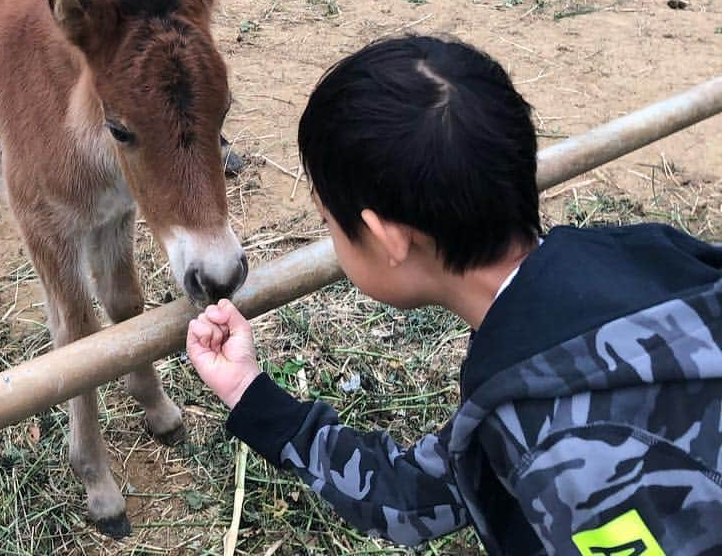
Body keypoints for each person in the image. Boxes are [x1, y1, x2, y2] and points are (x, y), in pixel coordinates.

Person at [187, 35, 722, 555]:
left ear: (385, 238)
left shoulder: (570, 454)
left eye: (328, 222)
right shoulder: (643, 257)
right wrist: (251, 394)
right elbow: (422, 493)